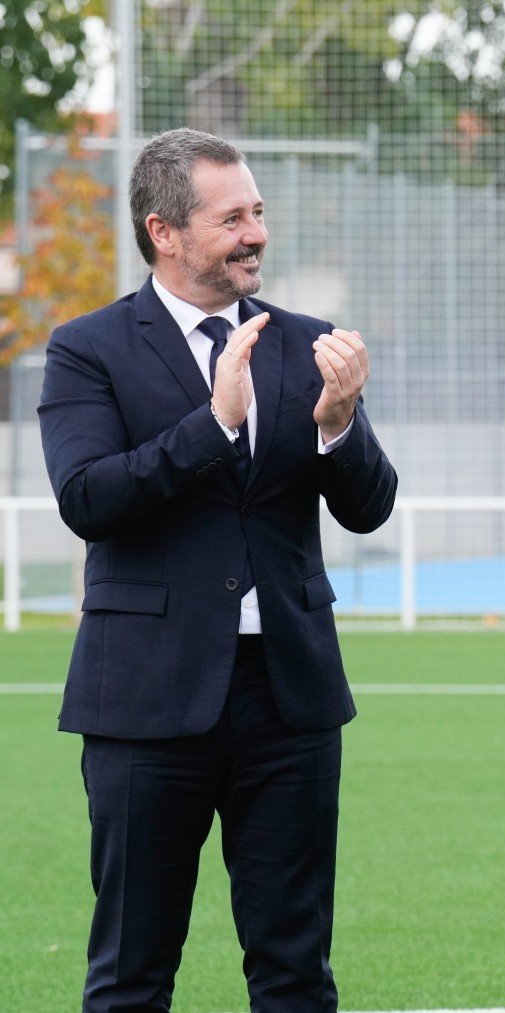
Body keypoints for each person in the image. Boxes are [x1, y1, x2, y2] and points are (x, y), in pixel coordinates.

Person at [38, 127, 398, 1011]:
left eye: (259, 212)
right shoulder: (88, 348)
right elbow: (87, 498)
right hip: (144, 703)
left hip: (289, 701)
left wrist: (338, 422)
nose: (257, 233)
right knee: (130, 971)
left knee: (295, 973)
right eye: (233, 217)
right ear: (165, 232)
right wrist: (212, 424)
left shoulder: (306, 342)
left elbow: (369, 506)